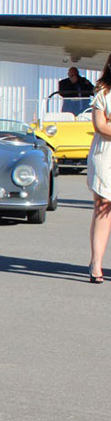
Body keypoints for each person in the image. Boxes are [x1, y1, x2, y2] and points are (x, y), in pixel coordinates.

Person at [86, 57, 111, 282]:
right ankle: (96, 263)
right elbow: (100, 125)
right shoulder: (103, 93)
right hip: (106, 155)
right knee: (103, 206)